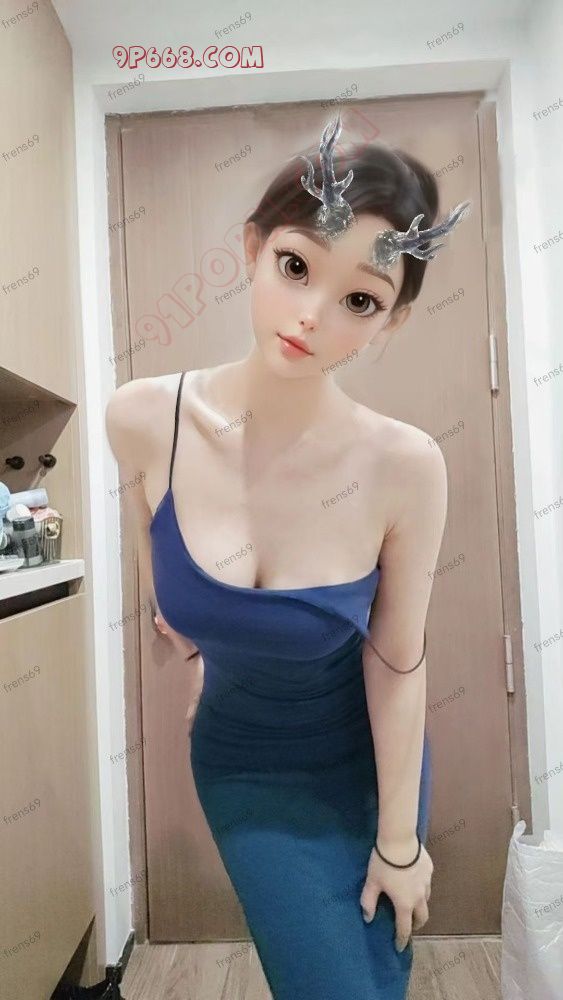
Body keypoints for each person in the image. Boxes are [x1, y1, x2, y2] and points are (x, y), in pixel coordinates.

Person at [106, 116, 468, 999]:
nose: (312, 316)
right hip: (241, 768)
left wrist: (398, 843)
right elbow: (164, 581)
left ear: (392, 321)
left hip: (367, 767)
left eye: (360, 301)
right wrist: (196, 665)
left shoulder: (404, 466)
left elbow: (397, 663)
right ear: (251, 249)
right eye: (296, 267)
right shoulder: (144, 421)